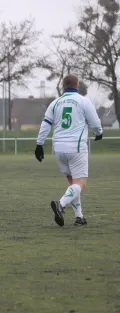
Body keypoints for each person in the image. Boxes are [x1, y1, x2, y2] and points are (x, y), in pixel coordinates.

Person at [35, 74, 103, 226]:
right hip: (76, 147)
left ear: (63, 86)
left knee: (72, 183)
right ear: (77, 85)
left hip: (59, 148)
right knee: (80, 183)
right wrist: (99, 133)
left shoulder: (55, 103)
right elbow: (94, 122)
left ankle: (79, 217)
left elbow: (46, 123)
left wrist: (39, 144)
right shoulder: (83, 101)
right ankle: (60, 204)